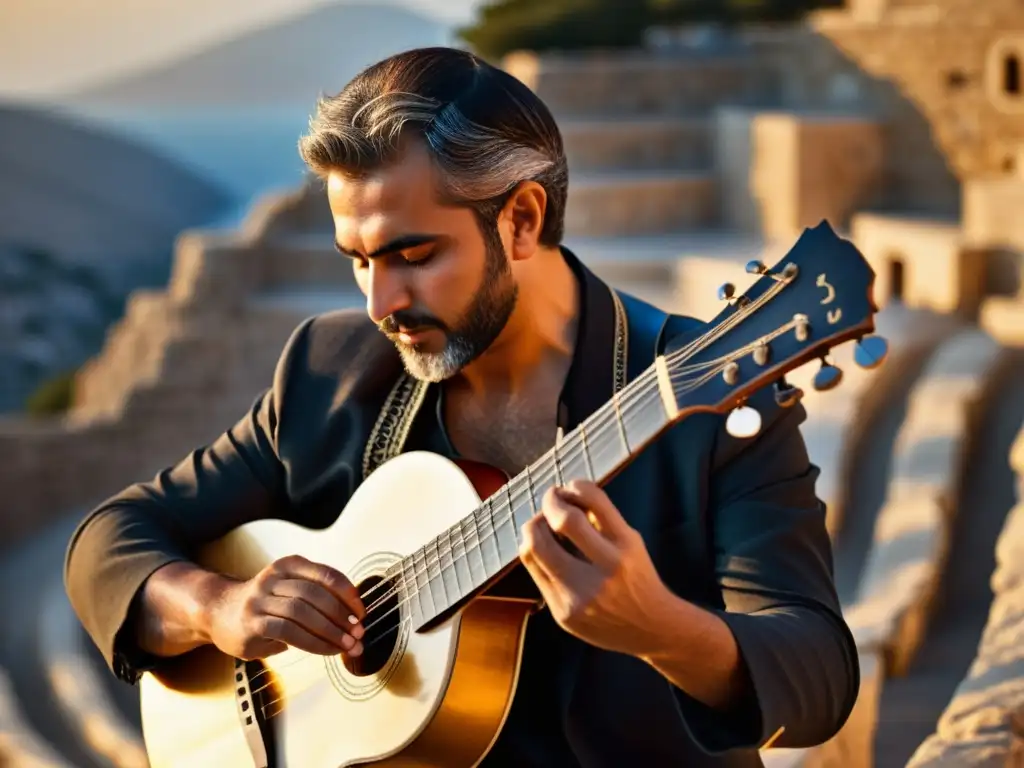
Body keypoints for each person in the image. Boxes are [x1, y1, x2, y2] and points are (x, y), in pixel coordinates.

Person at [64, 46, 859, 766]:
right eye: (358, 261)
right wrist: (218, 607)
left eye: (414, 255)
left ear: (521, 219)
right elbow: (110, 540)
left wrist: (661, 628)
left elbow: (818, 676)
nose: (380, 301)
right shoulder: (331, 373)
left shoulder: (710, 405)